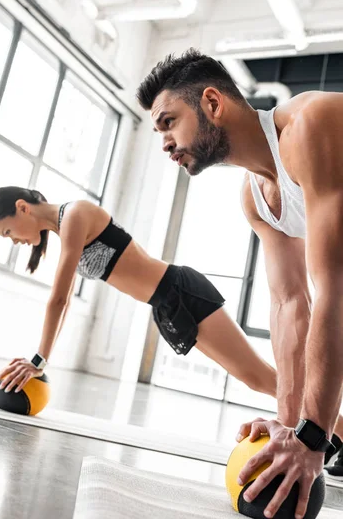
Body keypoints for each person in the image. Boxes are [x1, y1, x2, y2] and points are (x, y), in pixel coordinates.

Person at [137, 48, 343, 516]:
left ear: (212, 103)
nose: (164, 142)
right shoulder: (255, 198)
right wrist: (289, 425)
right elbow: (292, 303)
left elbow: (334, 288)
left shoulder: (311, 126)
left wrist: (313, 436)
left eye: (169, 122)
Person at [0, 186, 277, 401]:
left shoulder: (75, 215)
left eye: (8, 232)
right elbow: (65, 306)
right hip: (165, 307)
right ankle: (318, 431)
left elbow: (58, 299)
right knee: (254, 378)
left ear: (23, 207)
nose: (13, 241)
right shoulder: (65, 231)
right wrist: (42, 359)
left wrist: (38, 361)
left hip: (181, 292)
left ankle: (316, 429)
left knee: (258, 377)